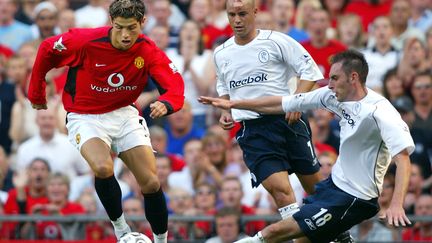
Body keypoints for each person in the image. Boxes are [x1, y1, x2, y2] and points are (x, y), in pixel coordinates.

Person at [199, 49, 414, 243]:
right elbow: (283, 102)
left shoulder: (380, 112)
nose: (329, 84)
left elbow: (403, 159)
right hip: (332, 187)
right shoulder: (333, 96)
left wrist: (396, 203)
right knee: (304, 241)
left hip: (355, 198)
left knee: (271, 234)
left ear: (353, 78)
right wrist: (234, 104)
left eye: (334, 78)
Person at [27, 1, 185, 242]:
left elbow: (175, 83)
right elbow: (47, 49)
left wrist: (168, 102)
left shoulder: (148, 51)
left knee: (151, 182)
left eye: (132, 28)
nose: (125, 35)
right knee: (103, 167)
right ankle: (122, 230)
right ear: (111, 21)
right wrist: (37, 93)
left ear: (143, 22)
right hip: (84, 116)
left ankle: (161, 240)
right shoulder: (84, 41)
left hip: (124, 114)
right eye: (119, 27)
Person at [211, 0, 323, 226]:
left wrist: (295, 102)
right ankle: (297, 239)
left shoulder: (276, 41)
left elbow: (310, 71)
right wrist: (225, 109)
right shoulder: (221, 53)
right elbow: (224, 86)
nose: (237, 20)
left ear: (255, 11)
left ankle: (338, 234)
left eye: (242, 13)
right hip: (253, 131)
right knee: (281, 192)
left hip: (288, 120)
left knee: (315, 189)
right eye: (232, 15)